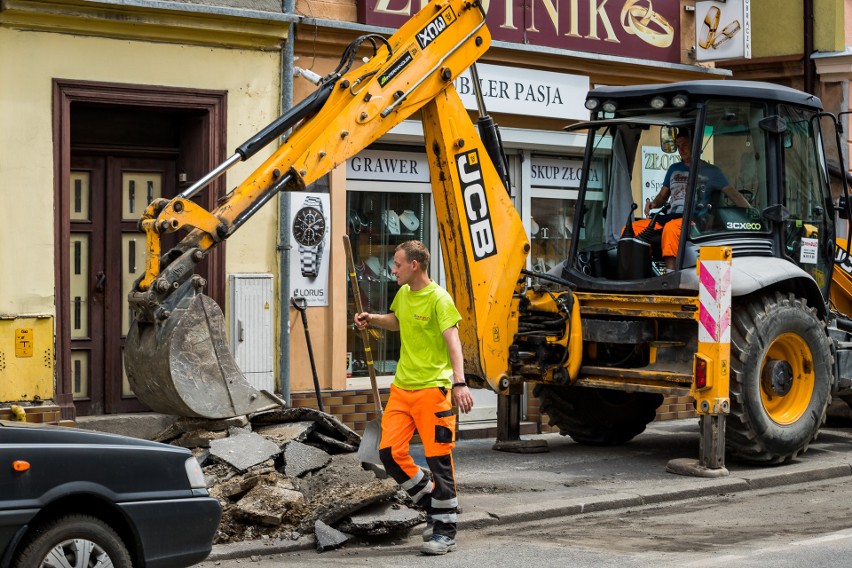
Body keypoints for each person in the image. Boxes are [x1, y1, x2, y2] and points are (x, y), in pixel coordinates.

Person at [354, 240, 474, 556]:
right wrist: (373, 319)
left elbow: (454, 344)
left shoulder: (440, 299)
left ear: (414, 265)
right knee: (390, 453)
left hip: (433, 392)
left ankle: (445, 532)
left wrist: (459, 383)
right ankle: (434, 504)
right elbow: (397, 321)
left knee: (439, 461)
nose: (392, 269)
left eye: (397, 264)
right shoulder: (404, 294)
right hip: (402, 390)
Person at [632, 129, 750, 270]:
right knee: (631, 229)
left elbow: (734, 195)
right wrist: (654, 203)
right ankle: (642, 273)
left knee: (670, 230)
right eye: (678, 145)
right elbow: (663, 196)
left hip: (694, 219)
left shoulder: (712, 172)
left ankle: (670, 276)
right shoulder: (673, 169)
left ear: (696, 146)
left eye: (685, 145)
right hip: (671, 216)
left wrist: (752, 214)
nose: (680, 149)